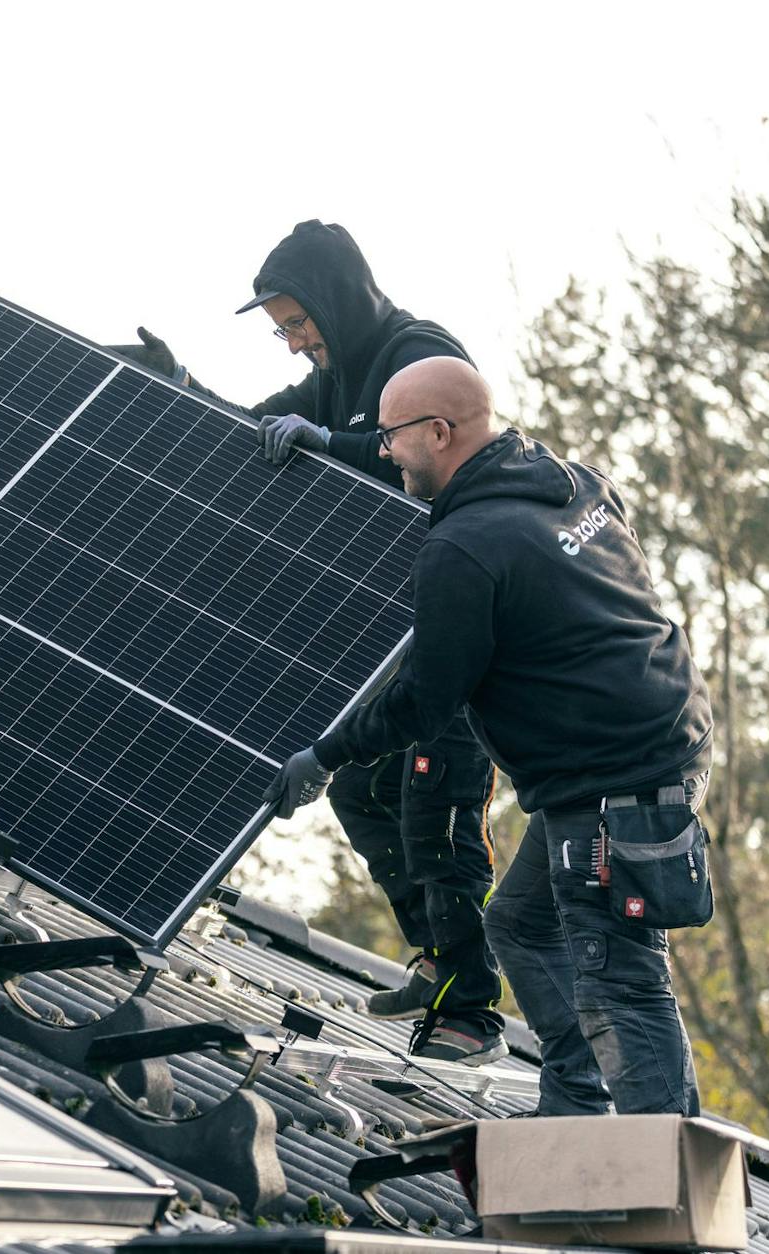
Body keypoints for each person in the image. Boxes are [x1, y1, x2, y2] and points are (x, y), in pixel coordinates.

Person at [263, 356, 715, 1114]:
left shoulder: (464, 548)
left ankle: (667, 1168)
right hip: (662, 738)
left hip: (614, 782)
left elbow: (424, 700)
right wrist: (328, 441)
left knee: (620, 979)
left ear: (440, 434)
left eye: (391, 437)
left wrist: (325, 756)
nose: (384, 451)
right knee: (521, 924)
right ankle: (574, 1109)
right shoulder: (575, 484)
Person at [112, 221, 507, 1065]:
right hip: (385, 640)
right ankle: (438, 959)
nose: (294, 343)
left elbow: (436, 452)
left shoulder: (418, 353)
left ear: (336, 299)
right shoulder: (331, 378)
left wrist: (335, 443)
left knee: (435, 809)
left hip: (451, 631)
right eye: (282, 332)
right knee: (359, 789)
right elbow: (254, 432)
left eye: (298, 323)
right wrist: (179, 385)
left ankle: (474, 1013)